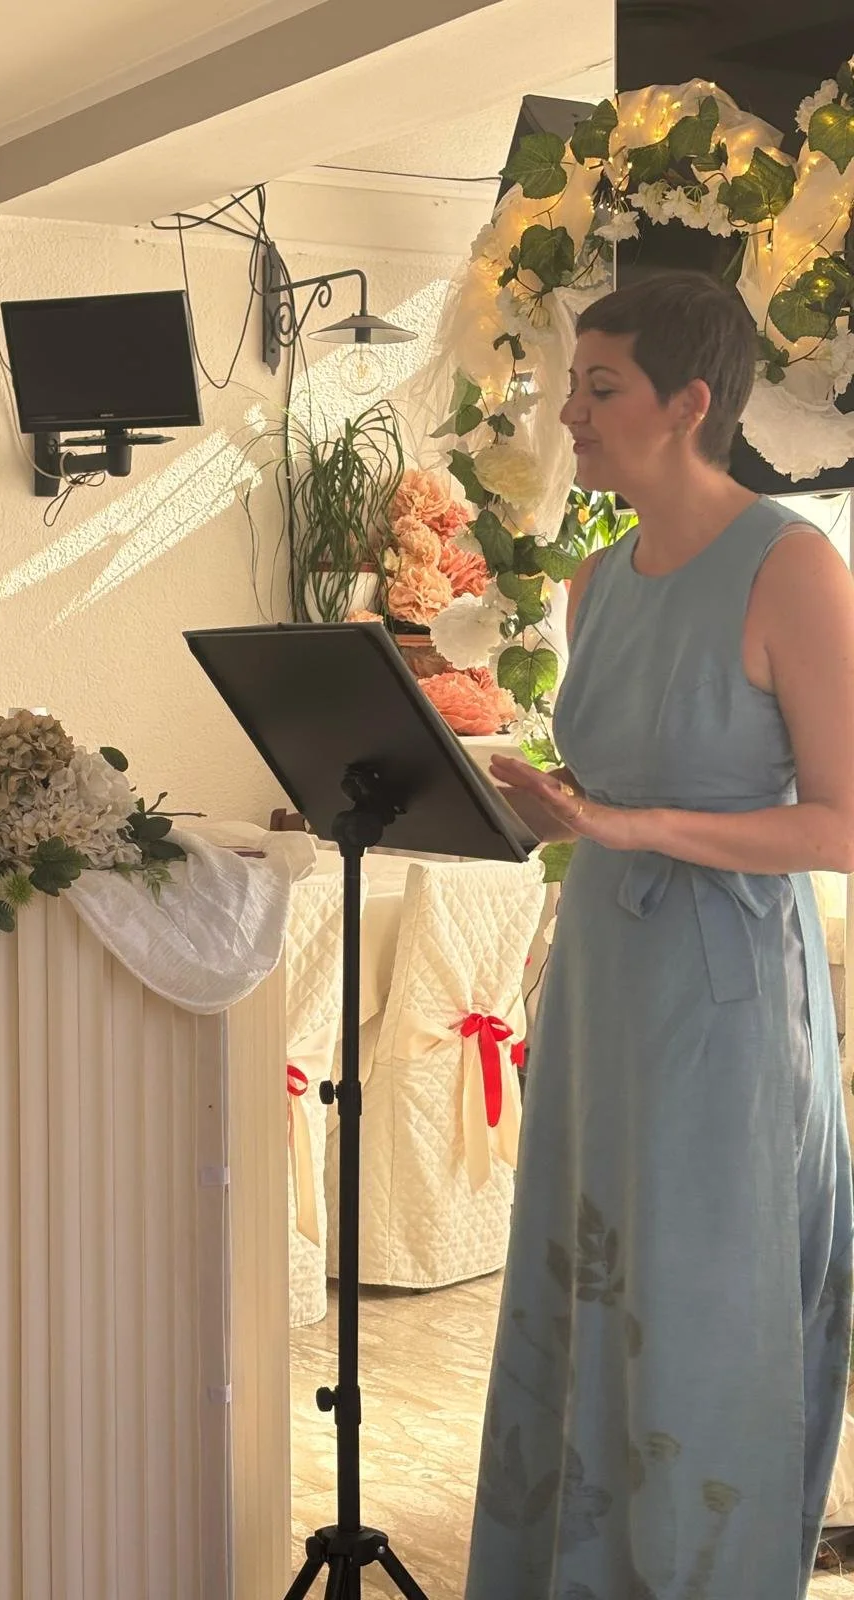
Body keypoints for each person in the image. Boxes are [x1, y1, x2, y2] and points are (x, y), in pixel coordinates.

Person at [465, 269, 854, 1600]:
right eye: (572, 385)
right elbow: (609, 790)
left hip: (723, 996)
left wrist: (633, 828)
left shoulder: (793, 565)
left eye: (601, 386)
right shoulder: (595, 582)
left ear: (691, 403)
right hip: (602, 976)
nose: (569, 413)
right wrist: (544, 807)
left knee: (699, 1304)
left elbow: (841, 825)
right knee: (586, 1284)